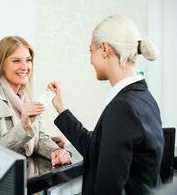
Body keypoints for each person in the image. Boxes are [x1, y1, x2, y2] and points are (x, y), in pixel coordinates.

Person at [47, 15, 164, 195]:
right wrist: (61, 109)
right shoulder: (143, 98)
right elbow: (96, 150)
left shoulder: (122, 108)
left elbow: (107, 189)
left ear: (104, 49)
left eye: (90, 51)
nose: (90, 60)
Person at [0, 36, 71, 165]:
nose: (25, 67)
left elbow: (37, 138)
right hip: (4, 178)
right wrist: (24, 127)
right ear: (1, 65)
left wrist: (55, 150)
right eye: (16, 61)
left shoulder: (27, 95)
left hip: (27, 174)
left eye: (28, 60)